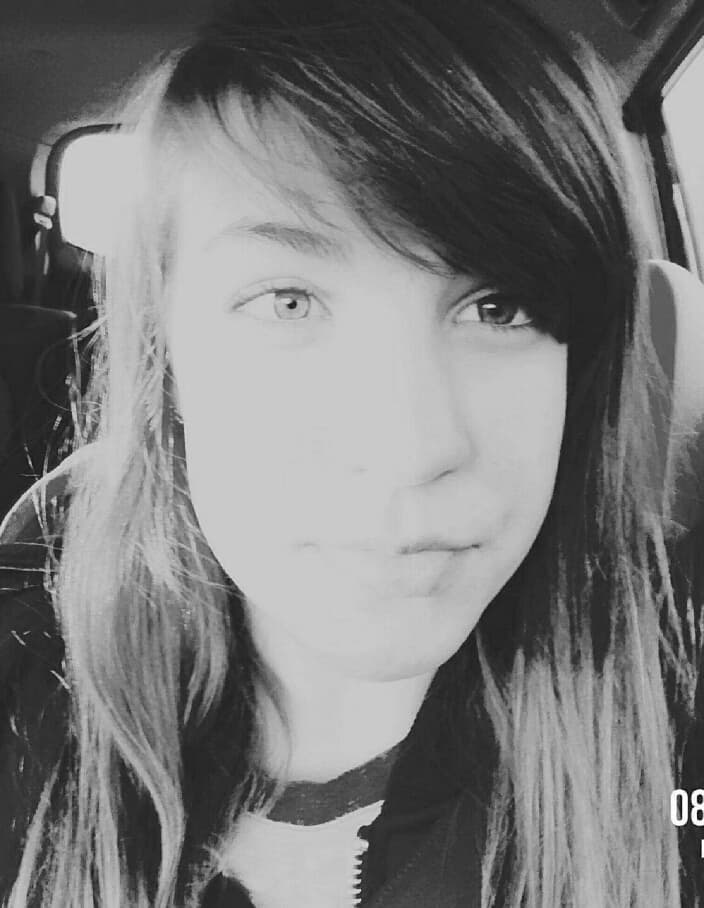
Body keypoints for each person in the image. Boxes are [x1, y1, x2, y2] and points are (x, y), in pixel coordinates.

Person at [1, 1, 703, 905]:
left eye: (499, 306)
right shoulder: (25, 688)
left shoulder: (675, 721)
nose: (414, 448)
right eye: (287, 301)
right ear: (163, 363)